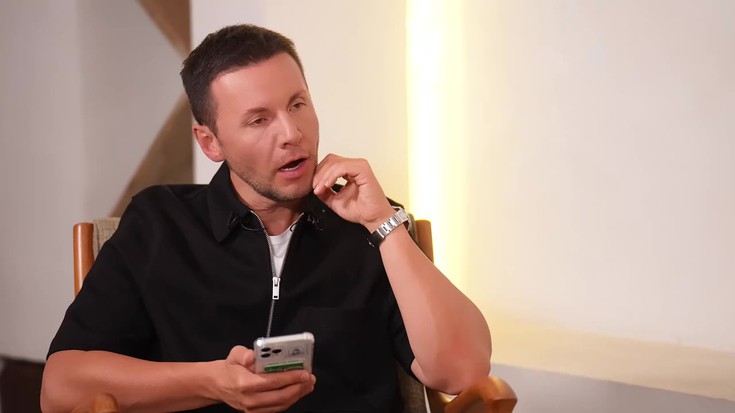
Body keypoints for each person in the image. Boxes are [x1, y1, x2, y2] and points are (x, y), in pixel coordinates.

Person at [41, 24, 491, 413]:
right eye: (258, 120)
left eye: (297, 104)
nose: (292, 134)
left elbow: (463, 373)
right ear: (210, 142)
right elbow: (59, 389)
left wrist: (384, 224)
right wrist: (211, 382)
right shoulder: (160, 223)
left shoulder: (368, 223)